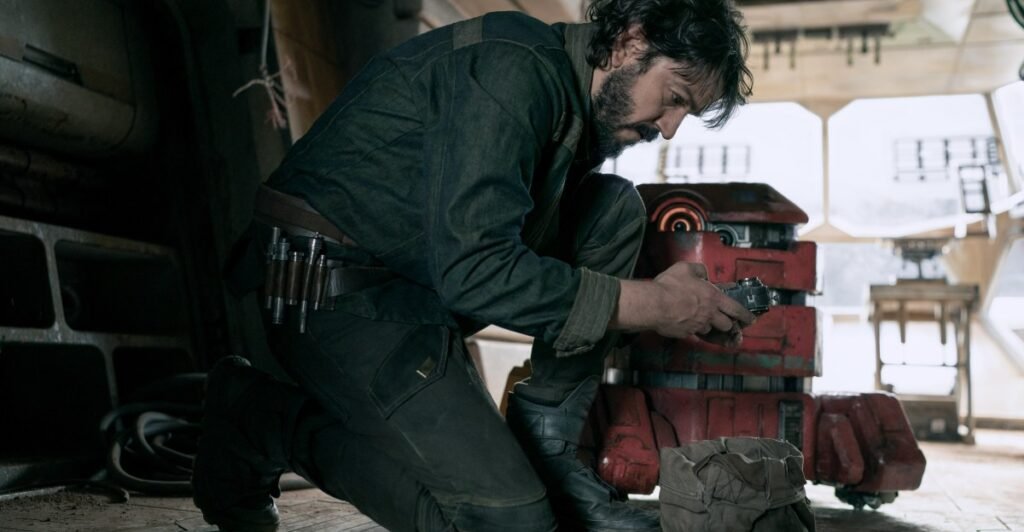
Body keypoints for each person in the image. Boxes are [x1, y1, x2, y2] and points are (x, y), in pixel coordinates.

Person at [191, 0, 754, 530]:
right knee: (510, 521)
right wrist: (654, 304)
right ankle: (260, 418)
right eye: (674, 97)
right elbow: (475, 270)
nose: (670, 128)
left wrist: (670, 311)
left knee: (613, 209)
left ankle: (551, 451)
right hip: (334, 290)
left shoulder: (577, 113)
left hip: (415, 296)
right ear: (630, 41)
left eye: (687, 113)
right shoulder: (512, 71)